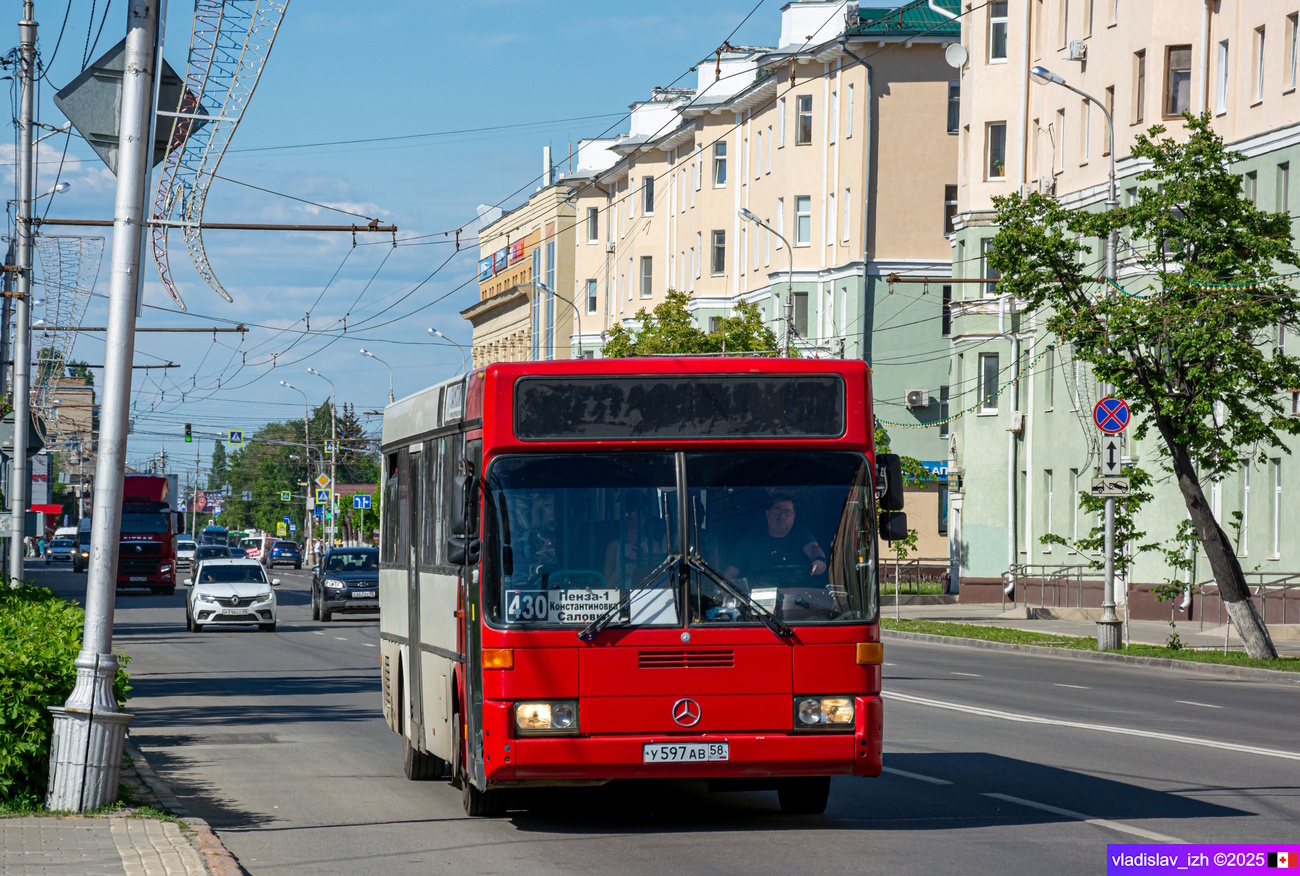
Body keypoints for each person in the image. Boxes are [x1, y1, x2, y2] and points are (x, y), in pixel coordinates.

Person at [731, 493, 826, 583]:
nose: (782, 516)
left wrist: (819, 560)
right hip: (757, 598)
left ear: (794, 516)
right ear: (767, 513)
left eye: (787, 512)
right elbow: (731, 573)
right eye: (777, 511)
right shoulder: (749, 542)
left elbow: (813, 548)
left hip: (799, 597)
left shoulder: (801, 535)